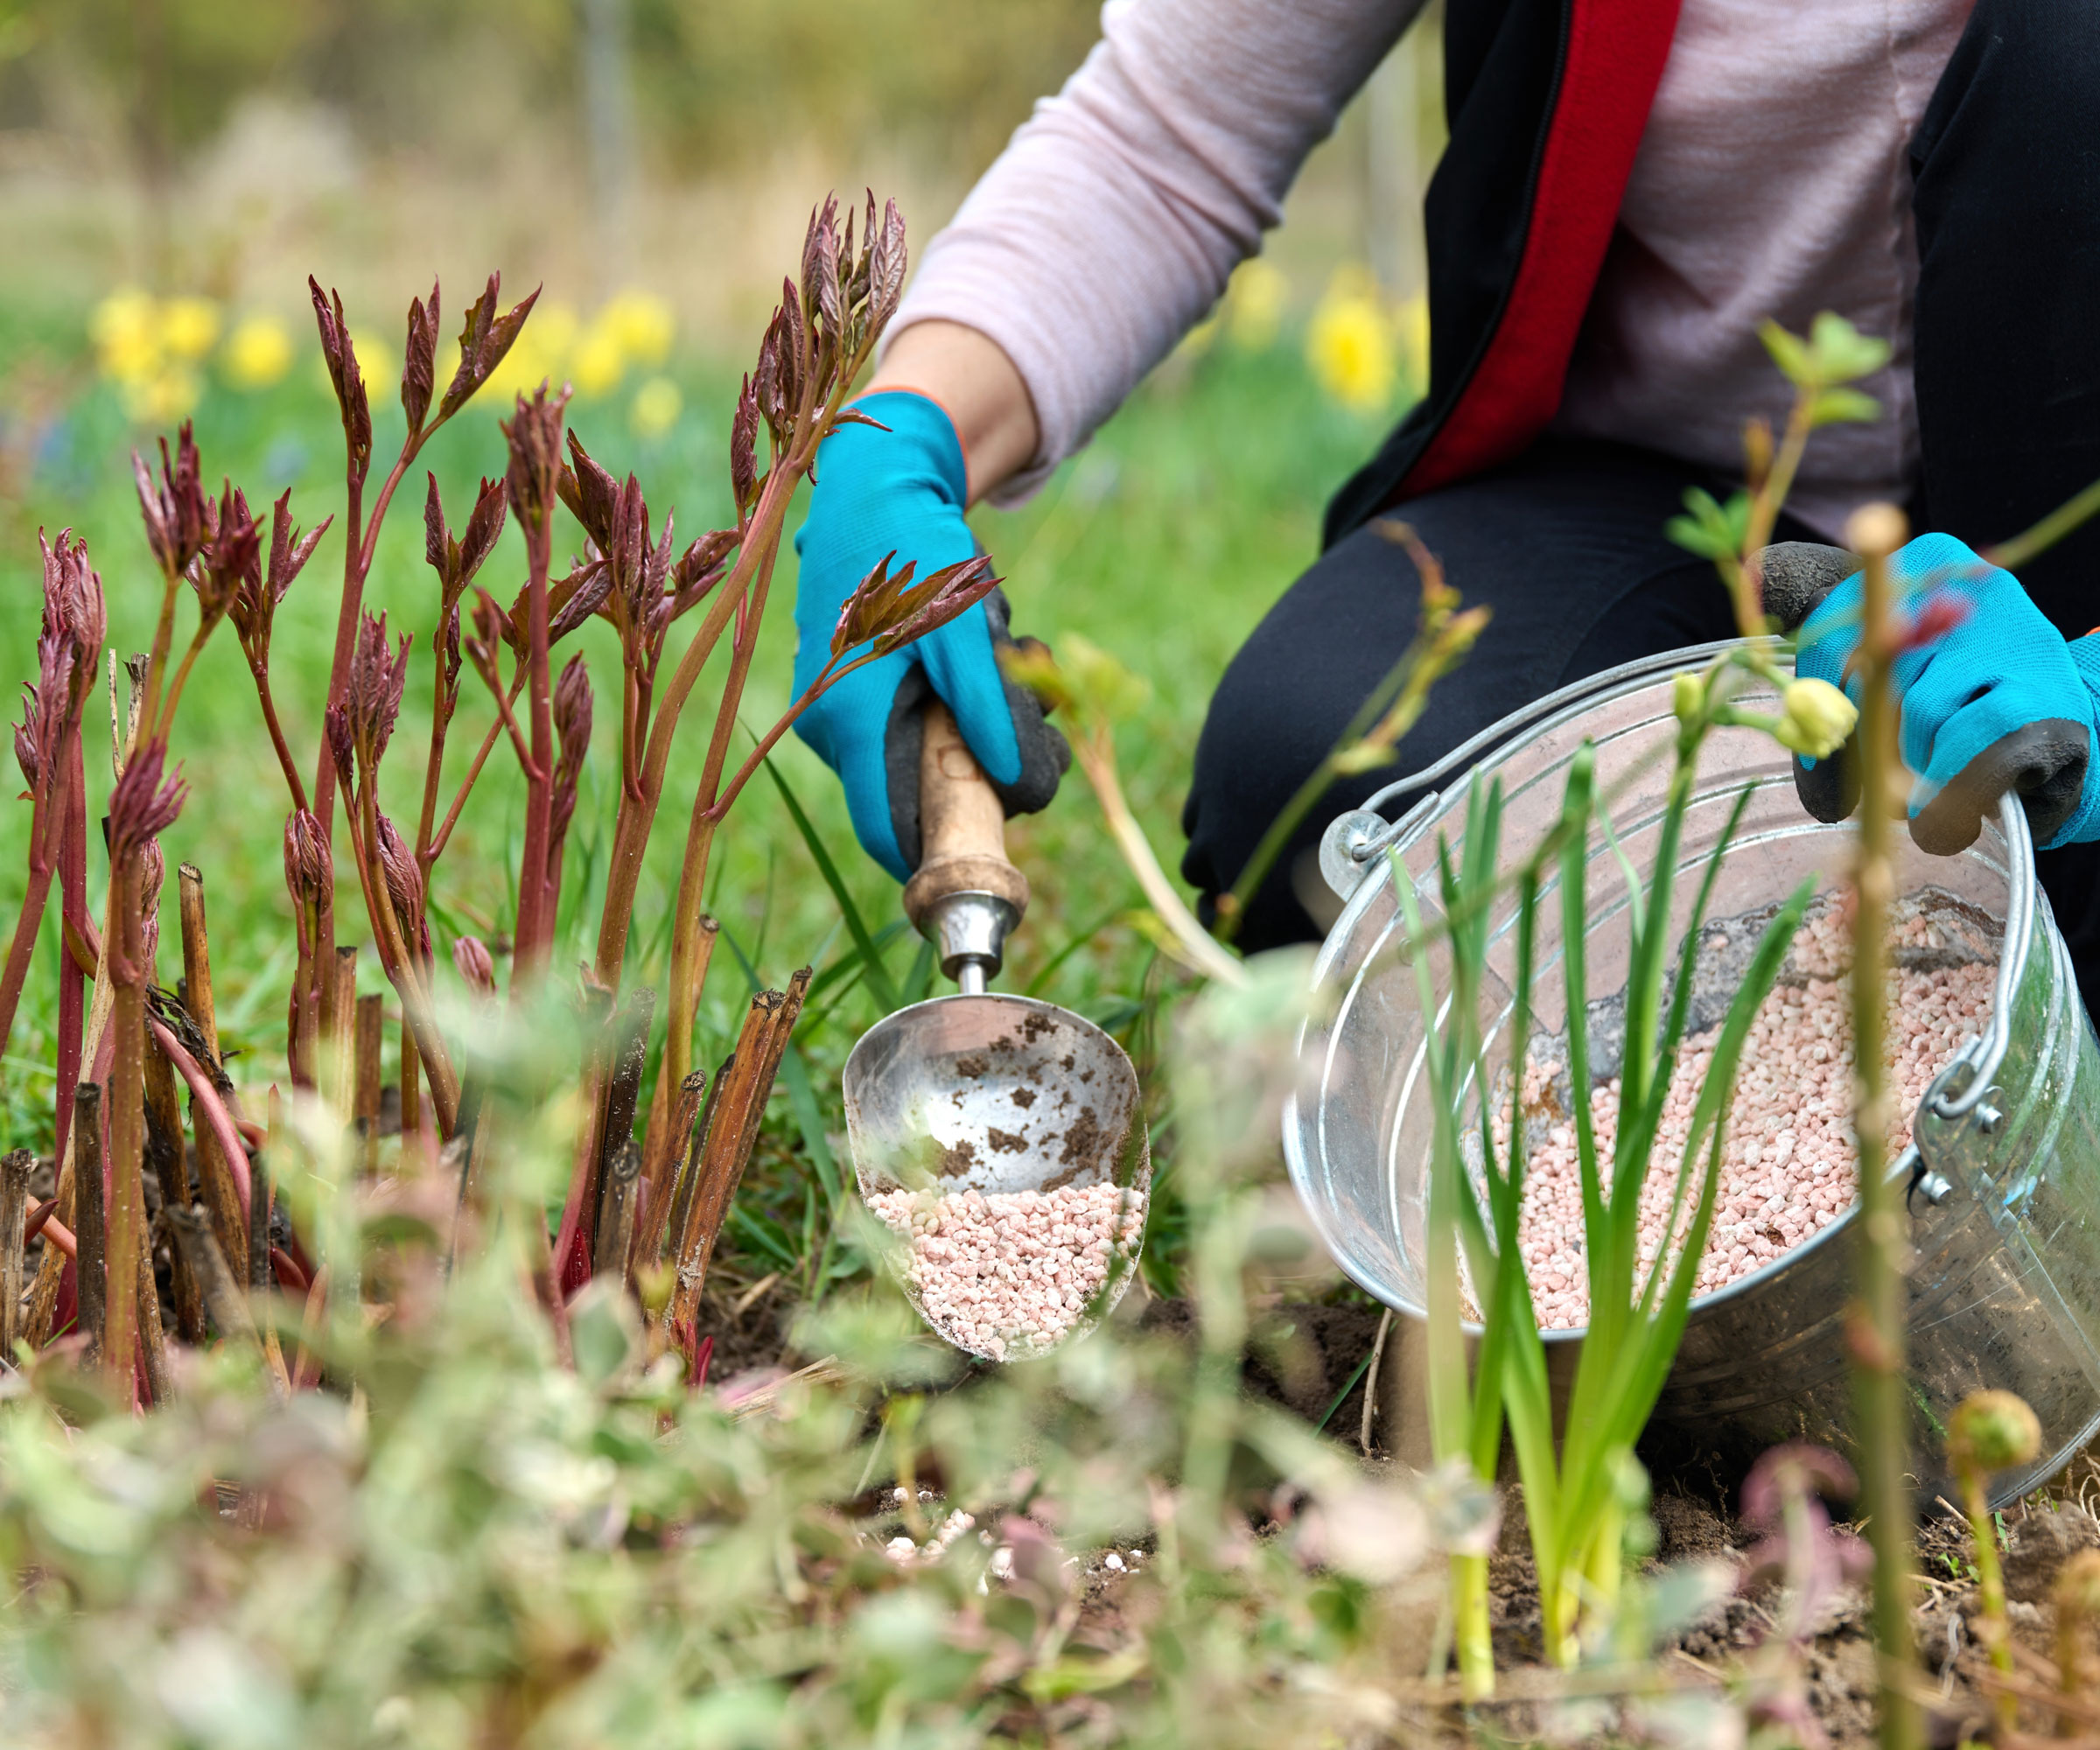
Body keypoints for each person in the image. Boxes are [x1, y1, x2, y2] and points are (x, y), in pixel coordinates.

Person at [790, 0, 2100, 1015]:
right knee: (1340, 783)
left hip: (2077, 597)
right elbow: (1161, 140)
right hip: (1684, 517)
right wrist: (900, 441)